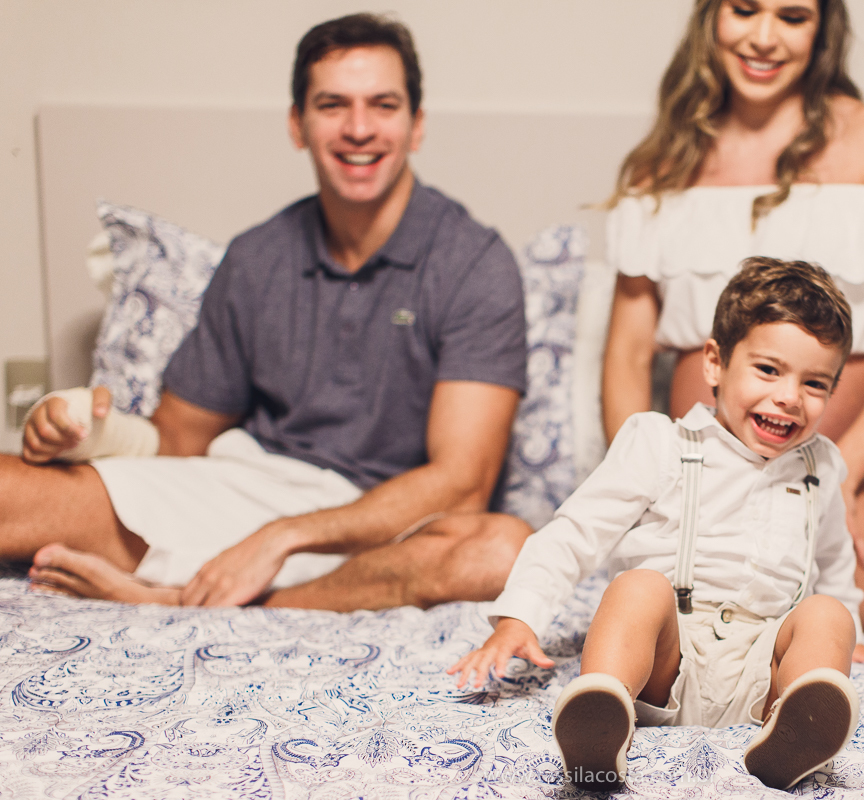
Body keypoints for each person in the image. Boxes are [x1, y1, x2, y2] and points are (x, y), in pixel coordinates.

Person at [8, 13, 534, 611]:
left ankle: (197, 600)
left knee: (503, 550)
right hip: (239, 491)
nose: (359, 128)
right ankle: (210, 585)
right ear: (297, 125)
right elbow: (180, 438)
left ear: (416, 125)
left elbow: (462, 484)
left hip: (381, 529)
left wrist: (280, 538)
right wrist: (86, 432)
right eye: (333, 105)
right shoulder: (258, 256)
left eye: (383, 105)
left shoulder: (474, 263)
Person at [601, 0, 864, 641]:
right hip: (705, 483)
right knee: (678, 621)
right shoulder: (659, 168)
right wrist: (643, 485)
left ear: (823, 28)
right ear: (711, 16)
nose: (764, 38)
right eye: (745, 10)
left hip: (862, 470)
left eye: (792, 16)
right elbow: (628, 358)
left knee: (805, 613)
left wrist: (839, 478)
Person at [452, 259, 864, 791]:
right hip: (667, 662)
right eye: (768, 370)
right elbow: (575, 532)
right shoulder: (659, 444)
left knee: (827, 613)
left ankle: (794, 732)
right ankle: (602, 715)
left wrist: (848, 637)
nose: (790, 396)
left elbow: (834, 564)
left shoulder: (822, 466)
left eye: (815, 383)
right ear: (715, 364)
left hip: (765, 672)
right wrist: (519, 615)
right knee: (639, 587)